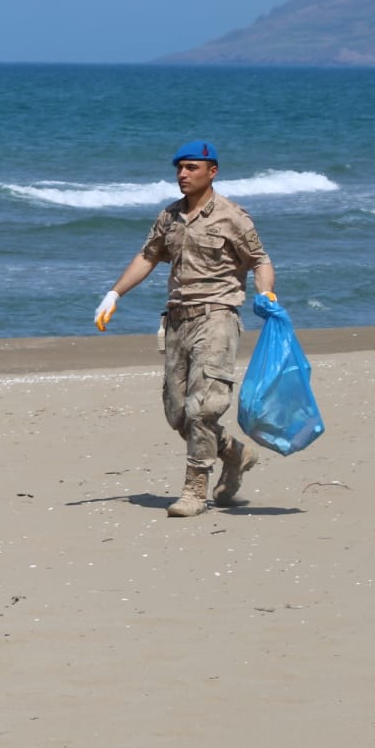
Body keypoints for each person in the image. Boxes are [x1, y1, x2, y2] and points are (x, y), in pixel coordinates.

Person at [94, 141, 276, 518]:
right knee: (177, 413)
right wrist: (114, 294)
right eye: (179, 167)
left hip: (217, 317)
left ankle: (195, 490)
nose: (182, 174)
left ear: (212, 171)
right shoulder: (169, 216)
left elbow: (260, 260)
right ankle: (235, 453)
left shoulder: (232, 216)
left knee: (202, 409)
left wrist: (267, 292)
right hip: (177, 320)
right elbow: (148, 256)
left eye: (192, 167)